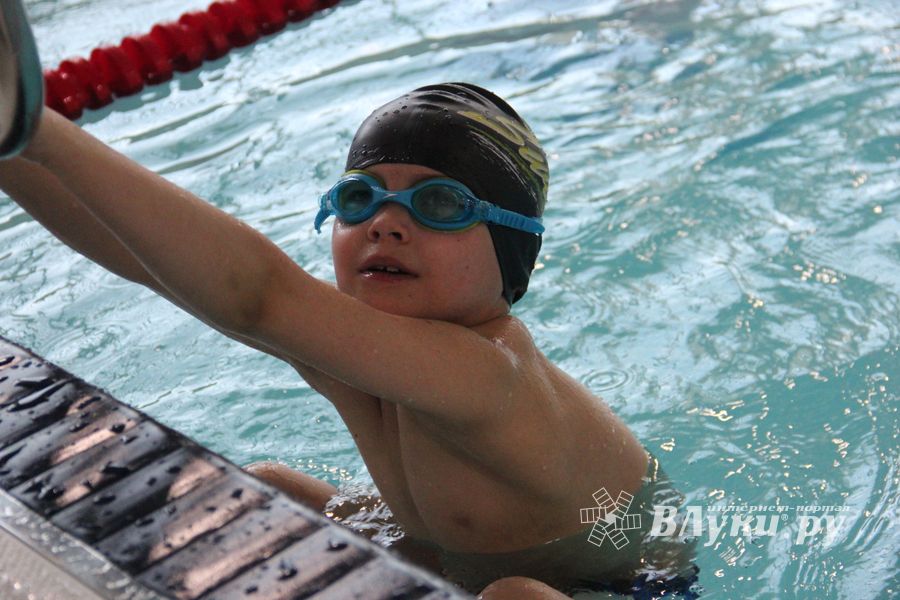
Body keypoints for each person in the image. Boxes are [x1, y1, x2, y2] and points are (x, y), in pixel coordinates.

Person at [0, 5, 695, 598]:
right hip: (458, 553)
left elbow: (259, 296)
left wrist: (35, 125)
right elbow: (149, 259)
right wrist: (7, 147)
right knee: (262, 496)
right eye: (361, 197)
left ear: (510, 256)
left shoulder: (487, 374)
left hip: (613, 584)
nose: (386, 222)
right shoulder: (366, 357)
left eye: (441, 204)